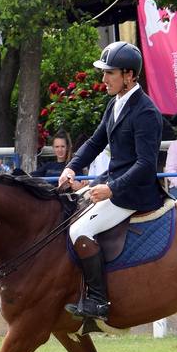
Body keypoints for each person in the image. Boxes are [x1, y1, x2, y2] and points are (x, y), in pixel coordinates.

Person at [58, 41, 163, 322]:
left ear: (129, 75)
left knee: (79, 231)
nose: (103, 79)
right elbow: (95, 141)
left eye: (110, 73)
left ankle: (98, 300)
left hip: (134, 192)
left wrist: (111, 189)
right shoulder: (115, 103)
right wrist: (71, 167)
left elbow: (145, 165)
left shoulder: (146, 112)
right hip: (112, 182)